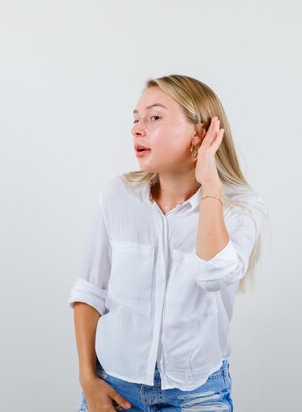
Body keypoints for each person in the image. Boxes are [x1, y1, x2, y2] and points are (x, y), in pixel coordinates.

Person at [67, 74, 269, 412]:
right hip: (114, 389)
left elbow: (215, 274)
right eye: (135, 119)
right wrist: (88, 380)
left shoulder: (242, 206)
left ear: (200, 133)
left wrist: (210, 187)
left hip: (198, 394)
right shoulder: (118, 196)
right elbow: (90, 290)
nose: (137, 129)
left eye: (155, 117)